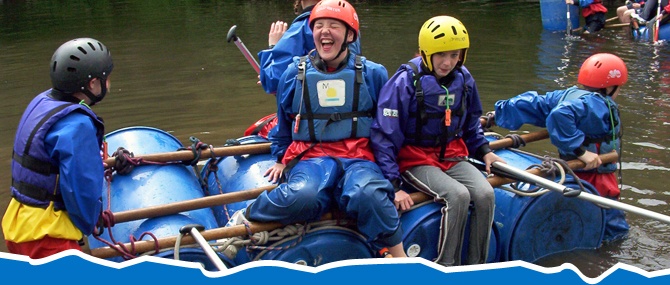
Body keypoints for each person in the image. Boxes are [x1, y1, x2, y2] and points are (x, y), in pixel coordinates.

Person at [224, 0, 407, 259]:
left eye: (333, 25)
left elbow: (387, 128)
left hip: (359, 157)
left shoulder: (373, 73)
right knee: (303, 196)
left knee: (369, 194)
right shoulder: (293, 74)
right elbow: (284, 123)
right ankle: (246, 215)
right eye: (319, 25)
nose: (324, 31)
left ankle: (399, 258)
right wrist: (280, 158)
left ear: (350, 35)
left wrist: (393, 177)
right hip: (311, 156)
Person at [371, 16, 503, 266]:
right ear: (425, 53)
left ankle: (478, 264)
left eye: (454, 55)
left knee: (485, 193)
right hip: (414, 158)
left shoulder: (463, 79)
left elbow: (471, 121)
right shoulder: (404, 82)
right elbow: (384, 135)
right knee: (458, 196)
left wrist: (484, 150)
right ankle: (445, 266)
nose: (448, 62)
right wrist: (392, 184)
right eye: (441, 54)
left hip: (450, 154)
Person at [2, 38, 125, 258]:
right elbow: (81, 189)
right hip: (47, 235)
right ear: (92, 84)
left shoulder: (41, 103)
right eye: (106, 79)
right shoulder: (78, 125)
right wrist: (93, 221)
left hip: (19, 225)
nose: (109, 84)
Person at [492, 53, 630, 242]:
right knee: (616, 232)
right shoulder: (598, 105)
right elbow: (560, 115)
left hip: (571, 176)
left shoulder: (567, 94)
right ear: (609, 87)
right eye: (619, 88)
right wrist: (581, 151)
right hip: (595, 176)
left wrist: (498, 113)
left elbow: (534, 104)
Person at [249, 0, 361, 139]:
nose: (325, 31)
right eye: (319, 26)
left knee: (256, 131)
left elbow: (272, 82)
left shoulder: (300, 27)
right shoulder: (346, 25)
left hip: (311, 125)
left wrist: (273, 47)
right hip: (350, 122)